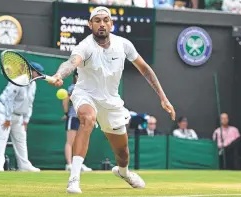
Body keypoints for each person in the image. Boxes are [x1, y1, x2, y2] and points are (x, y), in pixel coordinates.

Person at [48, 6, 175, 194]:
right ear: (90, 24)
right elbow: (70, 63)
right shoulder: (84, 46)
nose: (102, 24)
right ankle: (74, 179)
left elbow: (146, 69)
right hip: (85, 94)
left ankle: (123, 172)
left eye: (105, 20)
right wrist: (60, 74)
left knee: (123, 154)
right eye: (97, 20)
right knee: (87, 119)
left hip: (111, 102)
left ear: (111, 24)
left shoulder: (124, 45)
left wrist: (163, 98)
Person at [0, 62, 43, 172]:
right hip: (3, 110)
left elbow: (30, 103)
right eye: (37, 73)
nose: (39, 75)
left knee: (21, 139)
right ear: (31, 71)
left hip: (19, 115)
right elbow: (9, 100)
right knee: (2, 137)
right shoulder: (19, 81)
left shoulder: (33, 84)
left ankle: (24, 165)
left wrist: (26, 120)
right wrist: (7, 118)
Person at [62, 69, 92, 172]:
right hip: (73, 117)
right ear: (75, 77)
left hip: (83, 119)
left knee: (79, 143)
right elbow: (65, 100)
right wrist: (66, 113)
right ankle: (69, 164)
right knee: (70, 142)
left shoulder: (87, 89)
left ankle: (78, 164)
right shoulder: (72, 88)